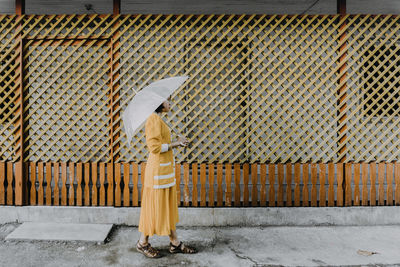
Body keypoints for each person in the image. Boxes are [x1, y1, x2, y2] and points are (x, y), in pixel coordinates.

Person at [136, 97, 197, 258]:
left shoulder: (158, 119)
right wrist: (176, 144)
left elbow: (162, 143)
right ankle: (142, 243)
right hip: (157, 173)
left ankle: (175, 242)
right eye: (167, 101)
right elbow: (154, 147)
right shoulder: (153, 119)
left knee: (166, 206)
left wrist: (177, 141)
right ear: (159, 104)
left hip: (164, 172)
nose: (170, 103)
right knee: (154, 207)